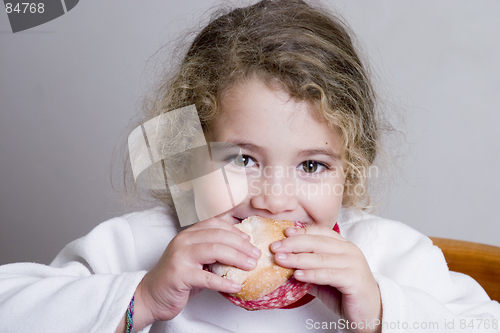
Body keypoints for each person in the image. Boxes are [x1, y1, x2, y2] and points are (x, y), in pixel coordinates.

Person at [1, 1, 499, 332]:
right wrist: (143, 296)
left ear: (351, 166)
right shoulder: (142, 247)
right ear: (187, 157)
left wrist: (382, 310)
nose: (275, 198)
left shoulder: (390, 256)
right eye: (242, 159)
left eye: (312, 165)